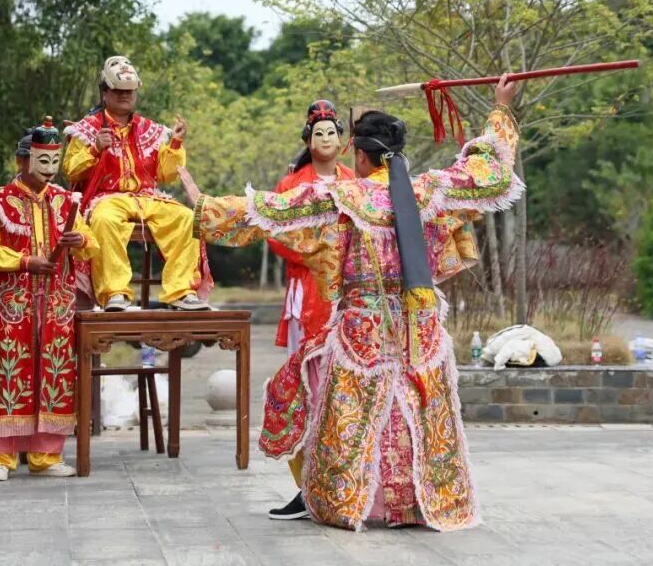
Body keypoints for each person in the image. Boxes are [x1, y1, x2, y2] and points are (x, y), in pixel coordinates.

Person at [181, 75, 521, 531]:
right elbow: (490, 172)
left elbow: (268, 211)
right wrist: (500, 107)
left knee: (320, 395)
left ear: (359, 156)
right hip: (419, 327)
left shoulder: (344, 195)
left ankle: (339, 496)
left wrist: (202, 206)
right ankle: (418, 501)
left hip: (363, 329)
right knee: (416, 409)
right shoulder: (430, 190)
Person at [0, 118, 98, 481]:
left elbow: (91, 245)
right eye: (42, 160)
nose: (50, 169)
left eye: (54, 160)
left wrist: (81, 241)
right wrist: (26, 262)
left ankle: (46, 455)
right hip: (13, 306)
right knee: (9, 371)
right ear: (21, 160)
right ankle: (0, 457)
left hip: (57, 304)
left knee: (54, 373)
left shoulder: (66, 201)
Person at [64, 56, 212, 311]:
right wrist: (95, 148)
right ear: (105, 93)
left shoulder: (148, 128)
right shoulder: (87, 128)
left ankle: (182, 291)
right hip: (107, 198)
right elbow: (70, 170)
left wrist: (175, 143)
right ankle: (114, 293)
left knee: (187, 218)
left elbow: (166, 174)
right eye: (118, 91)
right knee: (104, 220)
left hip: (147, 196)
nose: (124, 96)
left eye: (129, 91)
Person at [269, 100, 355, 354]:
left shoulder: (354, 181)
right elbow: (274, 232)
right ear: (309, 141)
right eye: (319, 134)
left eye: (330, 133)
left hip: (349, 282)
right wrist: (316, 254)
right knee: (305, 360)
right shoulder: (291, 184)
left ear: (340, 139)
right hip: (307, 280)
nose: (325, 139)